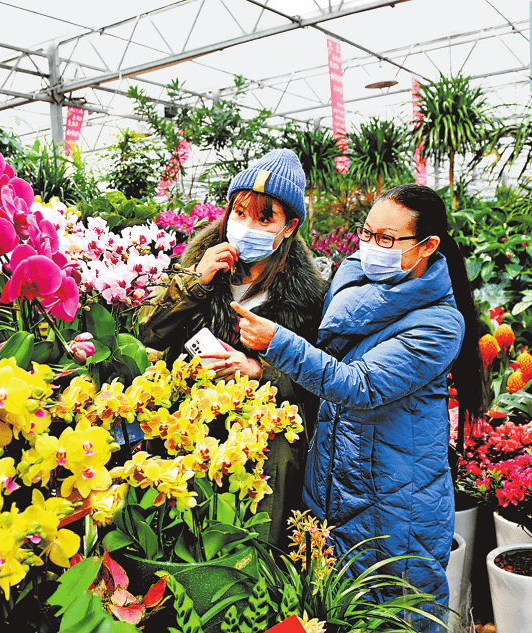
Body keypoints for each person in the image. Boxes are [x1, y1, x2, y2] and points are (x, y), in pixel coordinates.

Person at [234, 184, 486, 627]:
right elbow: (325, 365)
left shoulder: (439, 323)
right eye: (366, 233)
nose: (370, 247)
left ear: (427, 247)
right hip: (336, 480)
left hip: (394, 502)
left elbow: (360, 385)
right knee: (335, 610)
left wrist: (276, 344)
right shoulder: (355, 281)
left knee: (395, 612)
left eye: (387, 239)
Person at [138, 149, 329, 546]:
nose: (246, 225)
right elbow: (149, 333)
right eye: (240, 212)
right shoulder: (199, 264)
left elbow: (319, 381)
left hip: (263, 446)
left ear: (289, 226)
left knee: (245, 543)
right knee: (183, 536)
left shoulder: (309, 298)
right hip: (185, 426)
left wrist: (261, 371)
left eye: (264, 217)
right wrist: (195, 280)